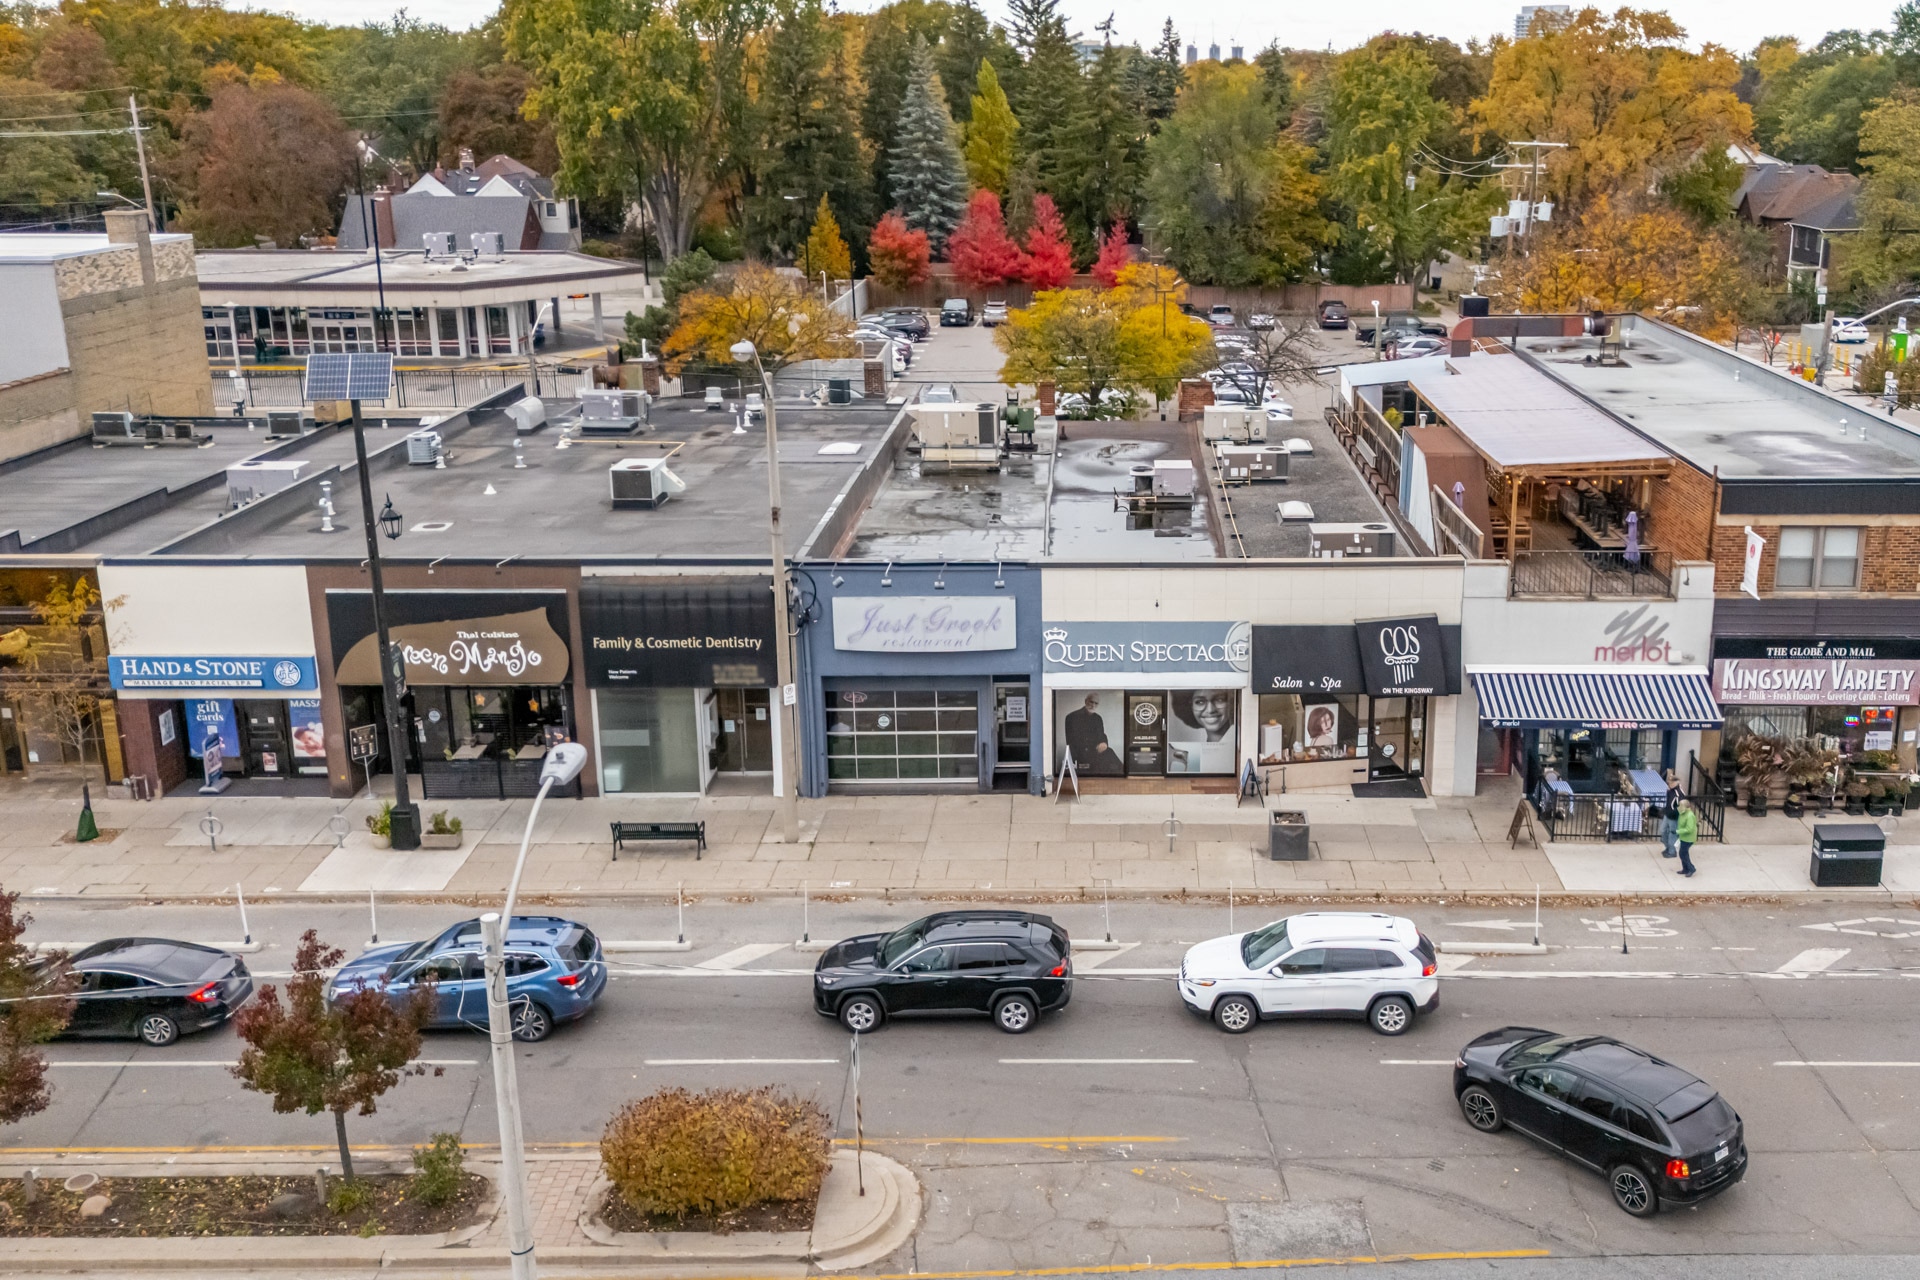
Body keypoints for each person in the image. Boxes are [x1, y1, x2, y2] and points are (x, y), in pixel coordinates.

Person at [1063, 694, 1121, 776]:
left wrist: (1104, 743)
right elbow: (1071, 742)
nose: (1093, 705)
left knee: (1110, 753)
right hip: (1080, 754)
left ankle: (1120, 775)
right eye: (1091, 702)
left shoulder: (1098, 718)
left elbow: (1101, 735)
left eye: (1096, 703)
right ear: (1086, 701)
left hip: (1095, 752)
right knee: (1109, 761)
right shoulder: (1072, 717)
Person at [1659, 772, 1682, 859]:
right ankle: (1668, 847)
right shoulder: (1669, 791)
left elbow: (1681, 806)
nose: (1670, 784)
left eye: (1671, 782)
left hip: (1673, 817)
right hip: (1667, 814)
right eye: (1669, 782)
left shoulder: (1679, 793)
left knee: (1672, 834)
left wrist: (1673, 813)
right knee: (1663, 831)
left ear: (1676, 782)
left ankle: (1672, 851)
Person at [1675, 800, 1699, 876]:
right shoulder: (1682, 813)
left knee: (1683, 854)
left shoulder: (1690, 815)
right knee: (1683, 853)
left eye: (1680, 805)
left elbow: (1689, 829)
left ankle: (1691, 868)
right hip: (1683, 837)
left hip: (1688, 839)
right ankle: (1685, 869)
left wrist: (1678, 831)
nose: (1679, 807)